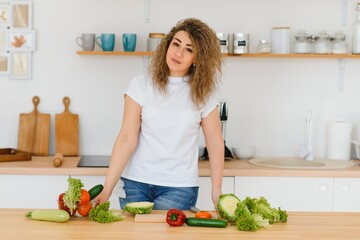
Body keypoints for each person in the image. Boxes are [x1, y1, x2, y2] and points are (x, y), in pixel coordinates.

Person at [96, 18, 224, 210]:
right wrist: (107, 189)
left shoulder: (203, 95)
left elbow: (215, 144)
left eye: (189, 49)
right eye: (176, 44)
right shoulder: (140, 85)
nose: (179, 53)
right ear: (167, 45)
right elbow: (126, 138)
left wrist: (217, 189)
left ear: (197, 58)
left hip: (179, 188)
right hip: (135, 183)